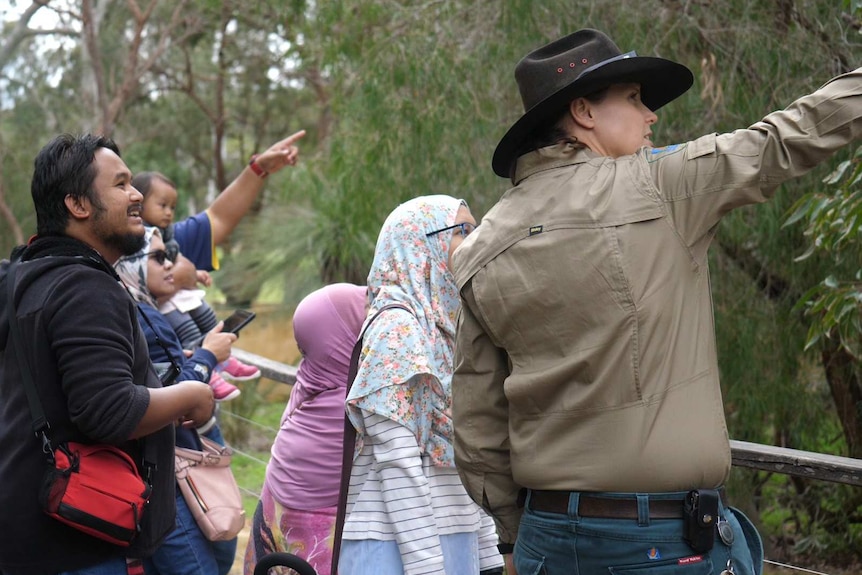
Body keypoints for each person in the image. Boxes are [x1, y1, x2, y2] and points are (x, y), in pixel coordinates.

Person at [451, 28, 862, 575]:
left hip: (545, 542)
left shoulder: (481, 246)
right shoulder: (662, 187)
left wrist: (515, 536)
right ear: (583, 112)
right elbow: (785, 138)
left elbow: (477, 428)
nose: (652, 116)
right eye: (634, 98)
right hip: (659, 542)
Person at [0, 134, 215, 575]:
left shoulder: (21, 276)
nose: (136, 195)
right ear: (78, 205)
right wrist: (193, 394)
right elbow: (110, 411)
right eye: (120, 185)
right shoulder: (84, 287)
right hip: (76, 541)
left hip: (24, 529)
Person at [340, 196, 504, 575]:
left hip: (450, 539)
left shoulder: (446, 330)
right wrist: (429, 568)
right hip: (395, 549)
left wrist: (489, 555)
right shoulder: (398, 327)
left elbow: (464, 460)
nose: (475, 239)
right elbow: (398, 464)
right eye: (462, 230)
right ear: (419, 243)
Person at [115, 227, 238, 575]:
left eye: (168, 256)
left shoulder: (144, 311)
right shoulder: (139, 317)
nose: (169, 265)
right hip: (168, 480)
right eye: (156, 258)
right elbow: (175, 403)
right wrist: (206, 357)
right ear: (130, 264)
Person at [242, 282, 368, 575]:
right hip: (320, 542)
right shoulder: (357, 403)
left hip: (278, 514)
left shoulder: (311, 377)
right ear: (349, 338)